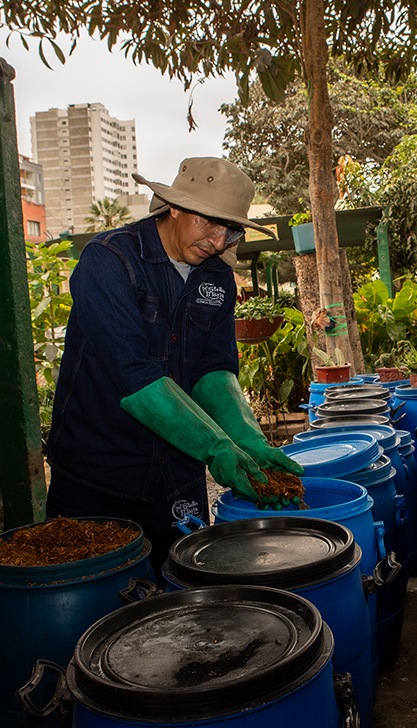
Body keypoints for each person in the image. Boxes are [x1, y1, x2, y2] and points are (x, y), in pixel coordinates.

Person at [44, 157, 304, 573]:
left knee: (183, 597)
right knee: (93, 605)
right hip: (98, 474)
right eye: (209, 223)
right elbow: (135, 375)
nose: (219, 242)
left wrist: (246, 438)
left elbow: (214, 368)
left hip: (176, 475)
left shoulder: (215, 277)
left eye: (230, 229)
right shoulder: (109, 261)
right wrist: (216, 445)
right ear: (175, 206)